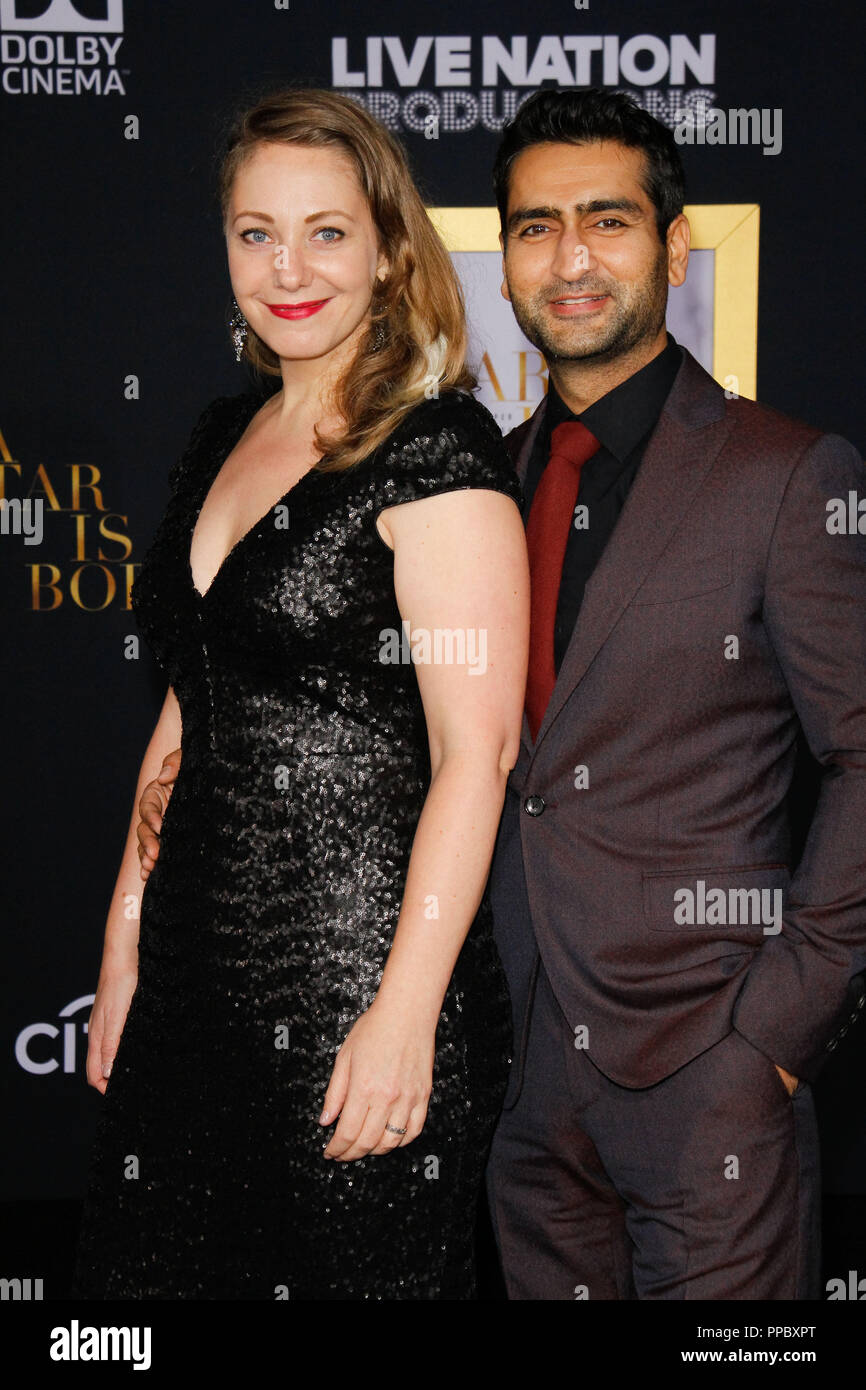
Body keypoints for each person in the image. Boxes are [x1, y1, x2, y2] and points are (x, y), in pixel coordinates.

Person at [138, 87, 866, 1301]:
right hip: (514, 1077)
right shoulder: (478, 472)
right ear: (498, 255)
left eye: (605, 221)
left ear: (673, 247)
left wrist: (774, 1038)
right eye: (533, 226)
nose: (568, 258)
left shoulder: (784, 473)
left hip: (706, 1072)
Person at [72, 87, 529, 1301]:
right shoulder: (222, 432)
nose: (288, 268)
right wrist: (125, 947)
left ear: (387, 249)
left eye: (326, 231)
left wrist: (404, 1015)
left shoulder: (435, 452)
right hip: (191, 978)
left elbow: (475, 754)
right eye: (254, 231)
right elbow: (186, 709)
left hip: (351, 978)